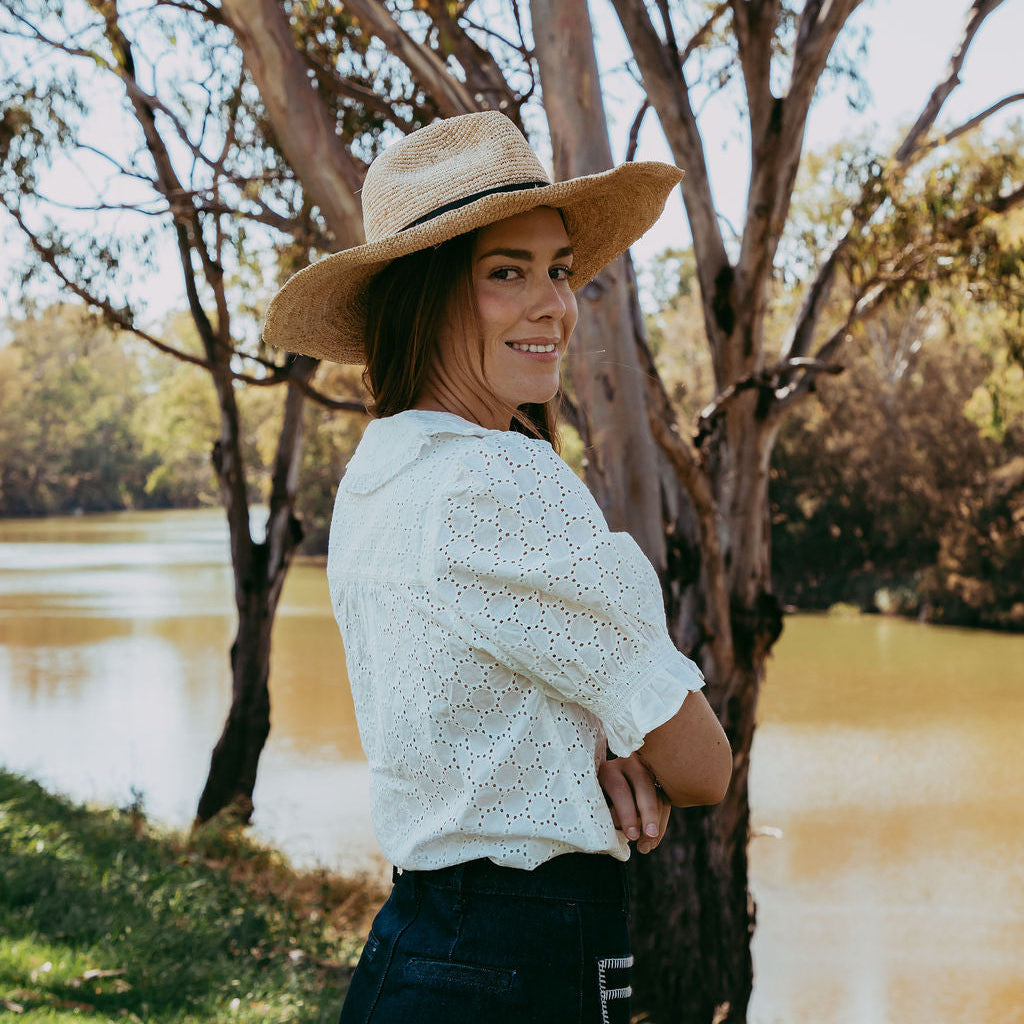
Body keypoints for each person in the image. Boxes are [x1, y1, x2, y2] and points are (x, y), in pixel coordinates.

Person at [263, 110, 732, 1024]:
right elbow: (704, 766)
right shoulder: (501, 476)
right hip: (520, 969)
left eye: (557, 270)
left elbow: (479, 712)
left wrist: (593, 748)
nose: (553, 303)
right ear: (425, 296)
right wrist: (626, 748)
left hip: (411, 951)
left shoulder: (382, 472)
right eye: (503, 274)